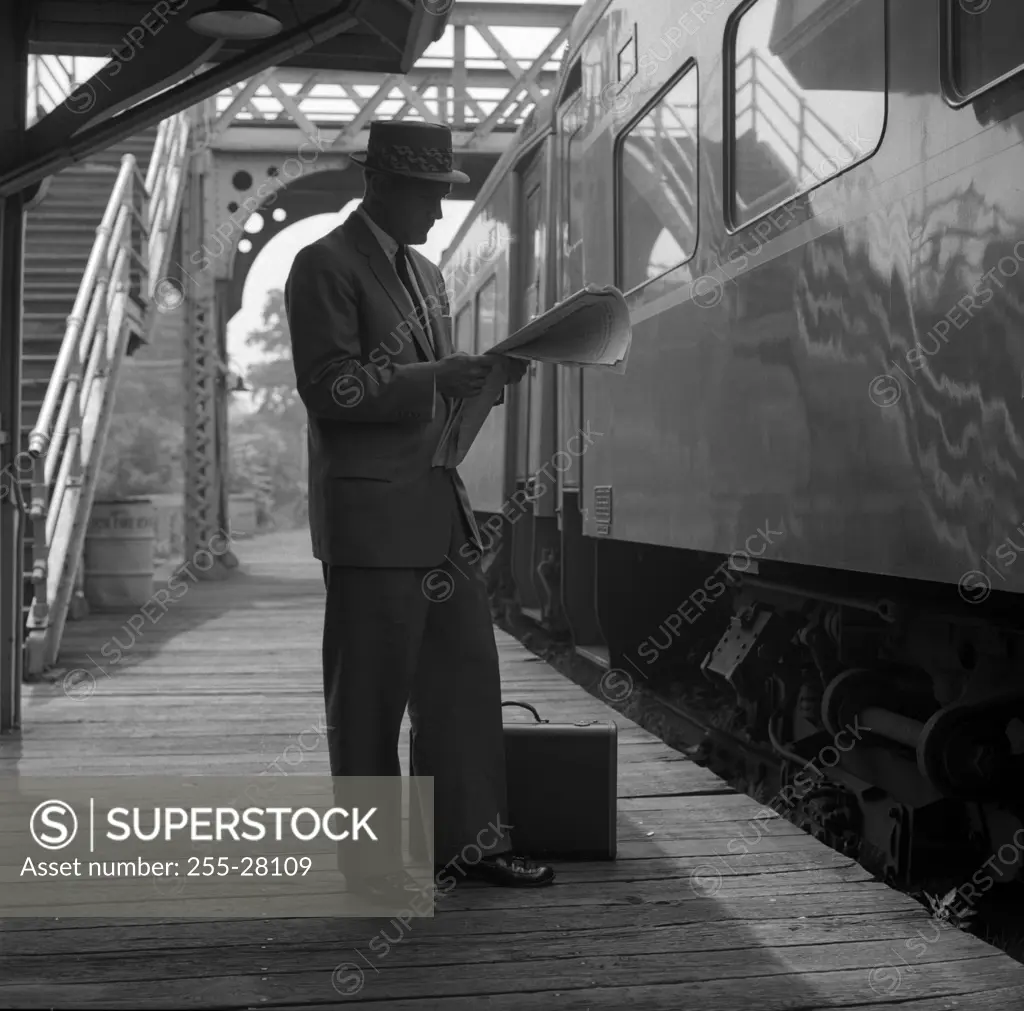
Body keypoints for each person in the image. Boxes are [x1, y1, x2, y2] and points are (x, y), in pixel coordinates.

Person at [285, 120, 555, 899]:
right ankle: (369, 867)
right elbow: (331, 389)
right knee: (367, 704)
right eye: (432, 196)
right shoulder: (323, 265)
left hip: (440, 513)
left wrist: (480, 382)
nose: (440, 214)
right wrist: (440, 376)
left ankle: (470, 848)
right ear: (387, 186)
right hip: (372, 527)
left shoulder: (429, 277)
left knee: (464, 687)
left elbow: (424, 386)